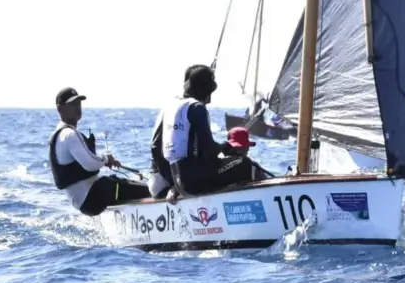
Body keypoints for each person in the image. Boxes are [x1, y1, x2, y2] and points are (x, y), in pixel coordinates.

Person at [157, 64, 265, 199]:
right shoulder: (197, 108)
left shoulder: (172, 108)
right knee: (244, 163)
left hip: (179, 180)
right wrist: (225, 146)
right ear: (205, 90)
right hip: (196, 181)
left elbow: (159, 149)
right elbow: (209, 150)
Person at [49, 87, 150, 216]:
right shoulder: (68, 134)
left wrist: (104, 161)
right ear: (60, 108)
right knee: (146, 190)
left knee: (117, 182)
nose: (77, 107)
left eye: (78, 103)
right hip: (90, 199)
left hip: (88, 199)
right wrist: (107, 159)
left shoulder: (59, 134)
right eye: (72, 104)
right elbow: (90, 163)